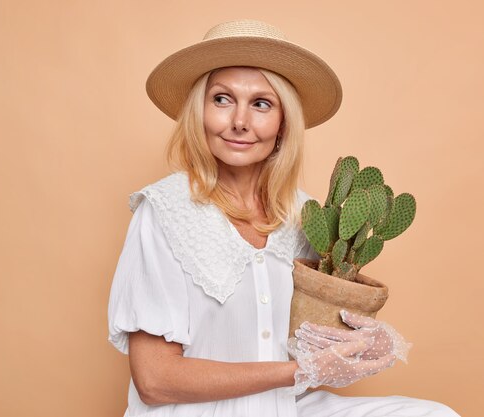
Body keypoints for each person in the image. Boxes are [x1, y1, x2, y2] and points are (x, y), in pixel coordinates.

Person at [107, 19, 460, 417]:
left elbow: (316, 338)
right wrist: (298, 371)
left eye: (261, 104)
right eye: (222, 99)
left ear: (282, 123)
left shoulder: (307, 216)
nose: (240, 121)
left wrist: (367, 343)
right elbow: (155, 381)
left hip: (285, 407)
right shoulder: (165, 211)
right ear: (199, 112)